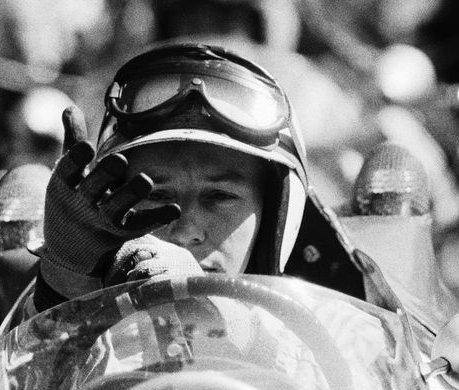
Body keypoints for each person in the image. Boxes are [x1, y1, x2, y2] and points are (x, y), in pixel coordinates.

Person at [31, 43, 316, 312]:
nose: (185, 233)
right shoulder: (95, 341)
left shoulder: (328, 338)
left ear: (276, 214)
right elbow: (40, 361)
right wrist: (66, 284)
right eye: (155, 195)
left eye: (220, 195)